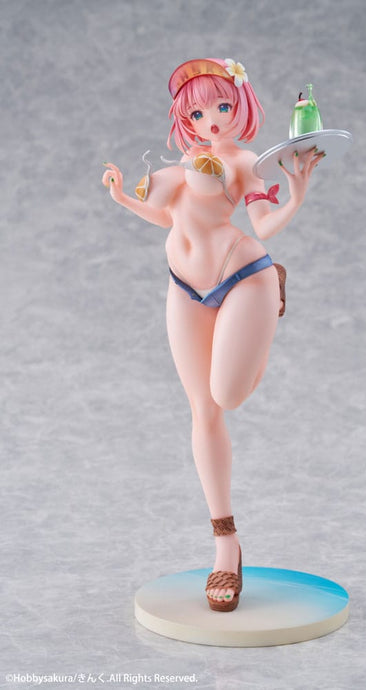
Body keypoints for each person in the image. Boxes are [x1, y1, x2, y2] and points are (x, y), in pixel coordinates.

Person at [102, 58, 324, 612]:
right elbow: (171, 216)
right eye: (198, 113)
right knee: (203, 410)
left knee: (228, 394)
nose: (212, 120)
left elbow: (263, 223)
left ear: (240, 104)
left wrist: (297, 195)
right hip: (184, 287)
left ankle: (268, 301)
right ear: (186, 118)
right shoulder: (184, 163)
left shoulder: (245, 162)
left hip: (241, 275)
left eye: (222, 106)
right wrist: (124, 198)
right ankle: (226, 544)